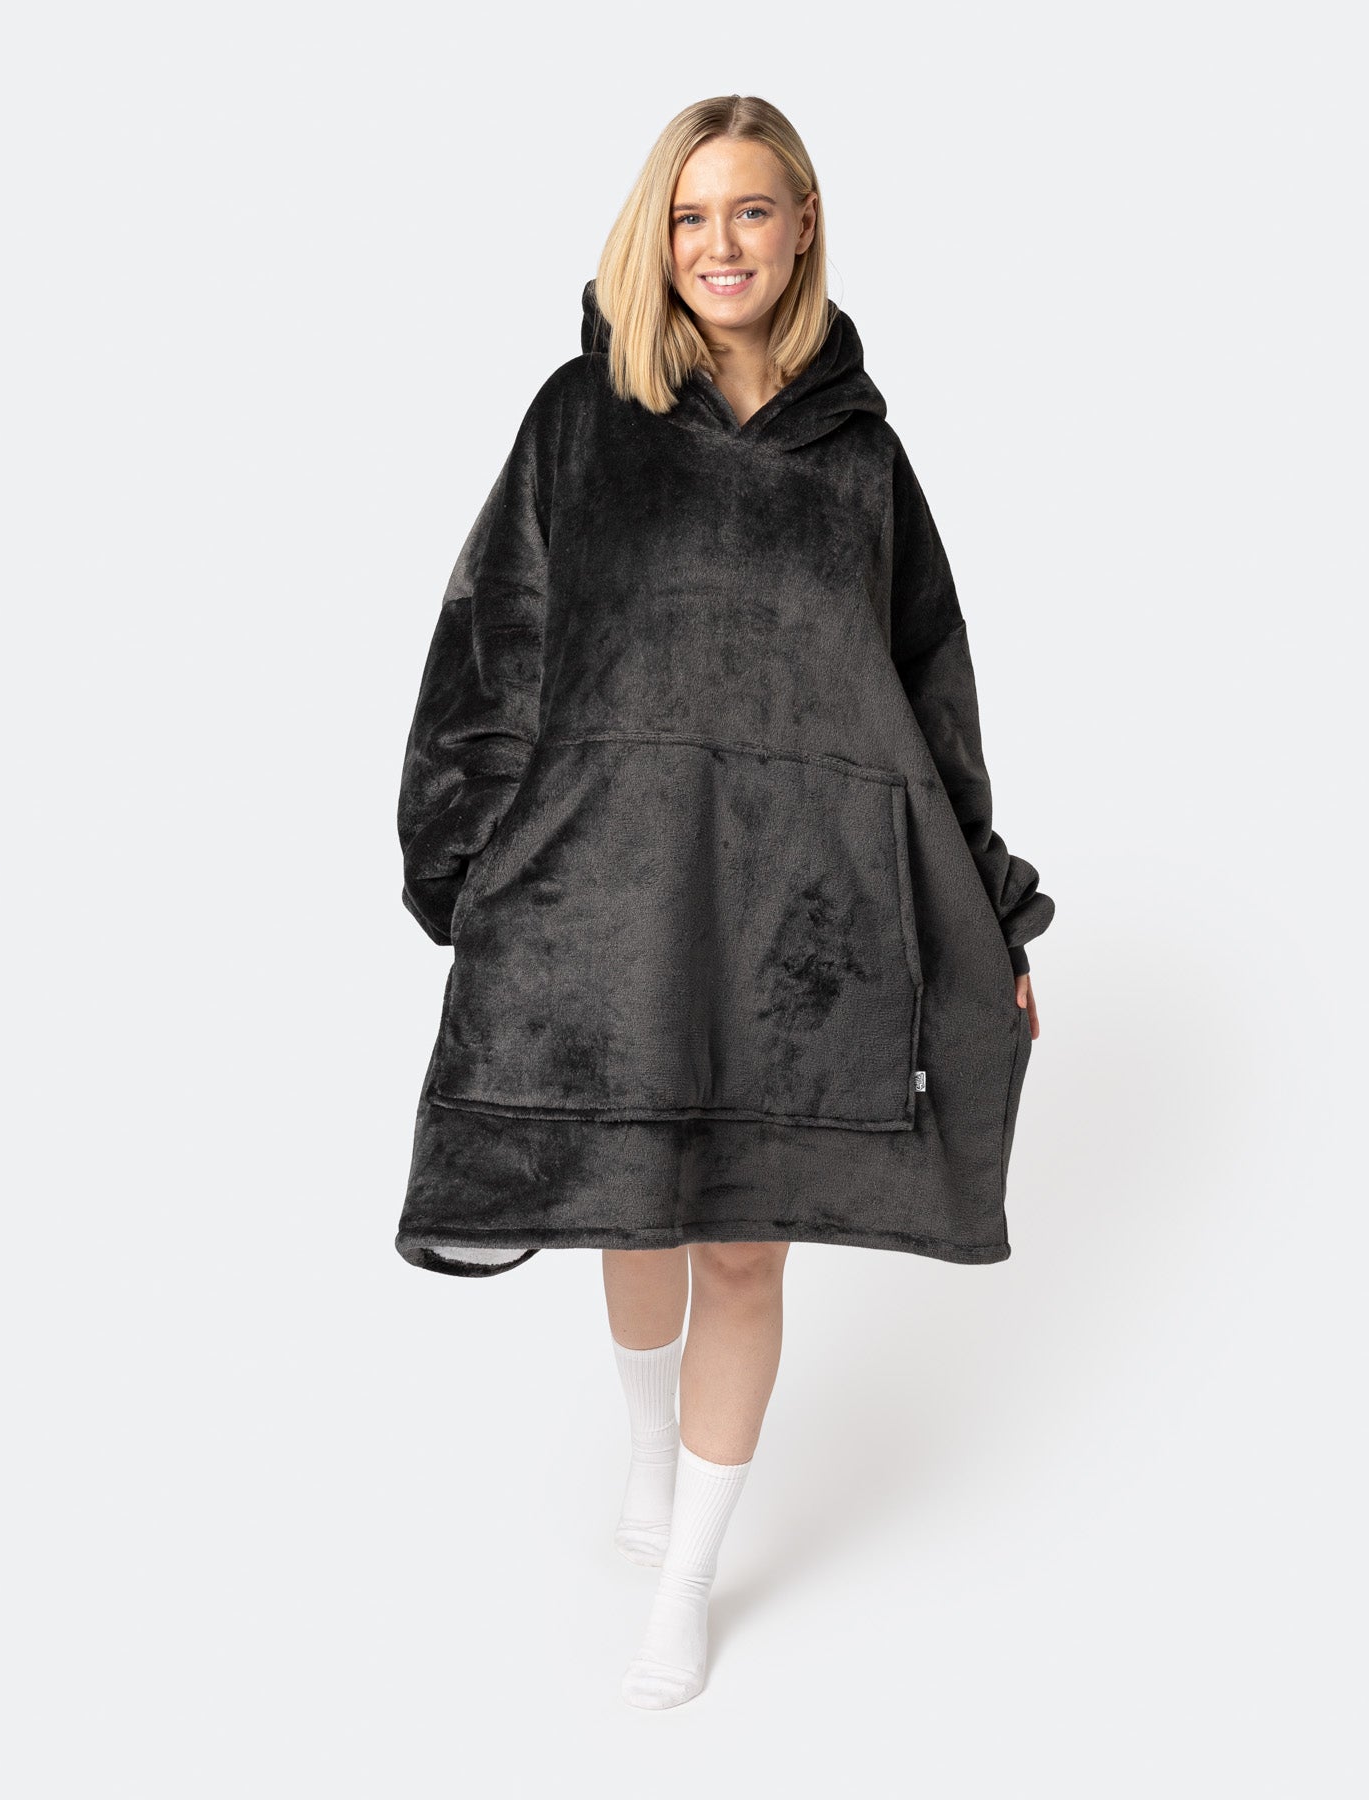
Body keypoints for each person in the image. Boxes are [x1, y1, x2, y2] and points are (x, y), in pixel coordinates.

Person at [394, 95, 1053, 1708]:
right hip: (612, 900)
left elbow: (932, 693)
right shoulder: (583, 417)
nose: (719, 245)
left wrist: (994, 910)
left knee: (744, 1251)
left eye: (750, 210)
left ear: (802, 223)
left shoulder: (863, 460)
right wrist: (467, 860)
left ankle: (688, 1579)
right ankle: (646, 1446)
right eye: (690, 217)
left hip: (798, 926)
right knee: (637, 1212)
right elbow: (490, 642)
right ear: (657, 236)